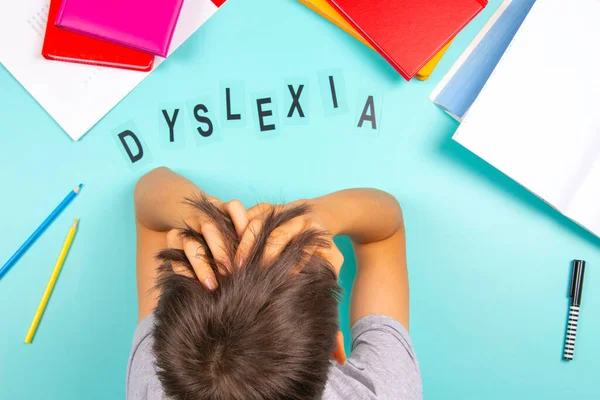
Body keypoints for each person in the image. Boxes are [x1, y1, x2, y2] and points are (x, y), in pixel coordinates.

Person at [127, 167, 422, 399]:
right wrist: (323, 214)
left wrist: (200, 213)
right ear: (336, 349)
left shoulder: (152, 387)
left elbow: (148, 194)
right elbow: (385, 232)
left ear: (157, 351)